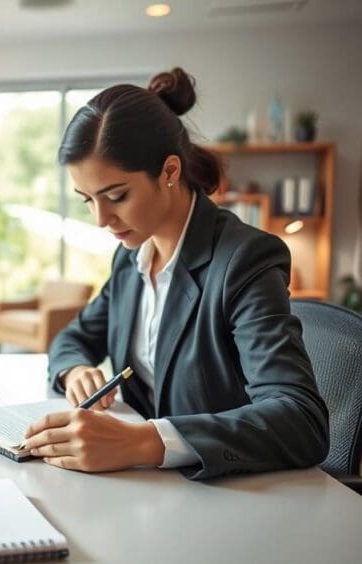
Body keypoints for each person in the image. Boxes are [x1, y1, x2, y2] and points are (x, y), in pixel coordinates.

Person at [23, 68, 329, 480]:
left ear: (169, 172)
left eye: (116, 196)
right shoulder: (131, 259)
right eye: (87, 200)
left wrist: (141, 442)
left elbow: (301, 420)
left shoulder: (244, 260)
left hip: (227, 496)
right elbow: (73, 338)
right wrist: (75, 370)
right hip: (147, 492)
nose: (101, 219)